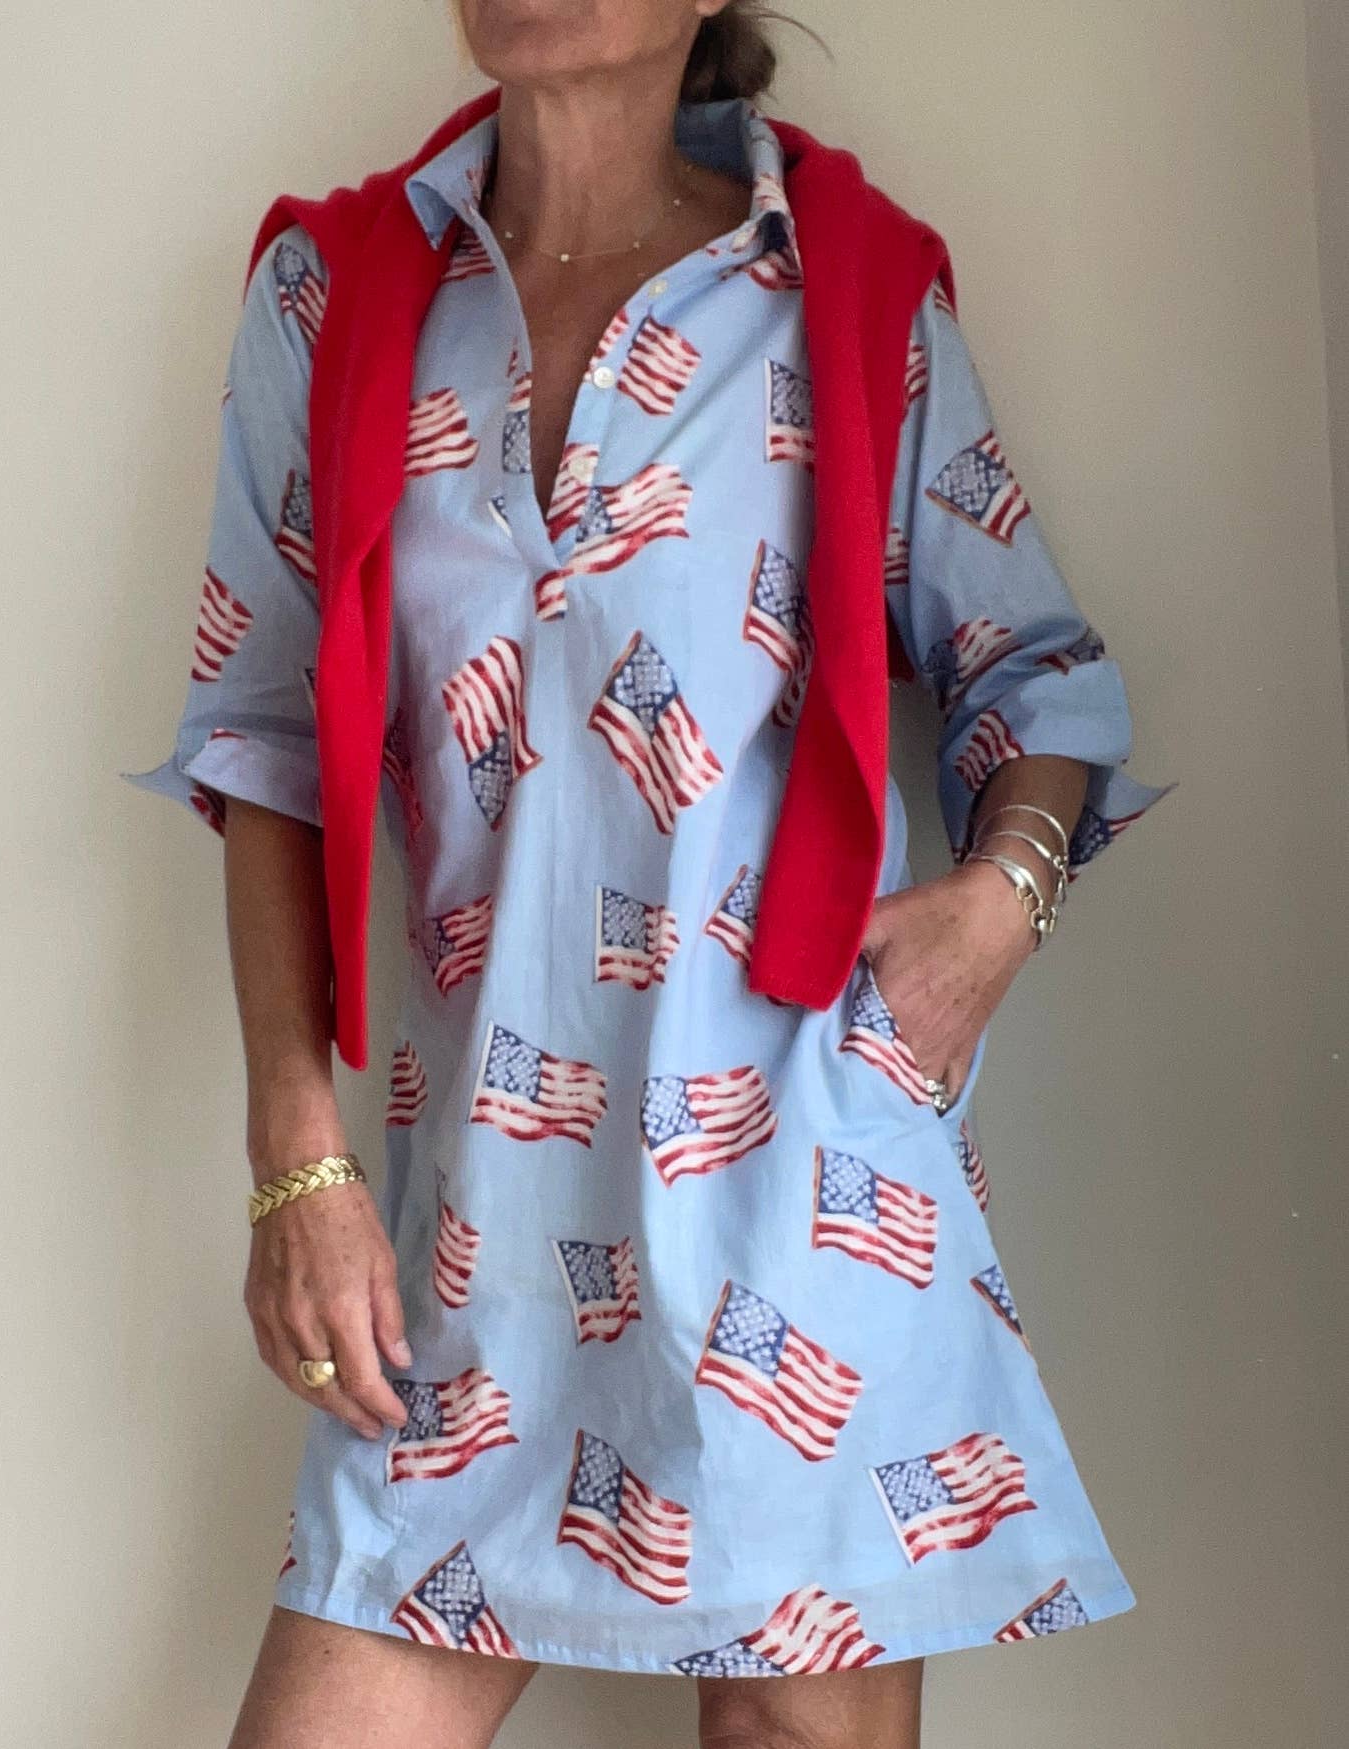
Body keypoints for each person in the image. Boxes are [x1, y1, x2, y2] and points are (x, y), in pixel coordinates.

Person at [122, 3, 1172, 1744]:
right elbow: (264, 747)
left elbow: (1035, 670)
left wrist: (1005, 902)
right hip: (472, 1233)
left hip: (799, 1197)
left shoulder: (839, 287)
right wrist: (292, 1157)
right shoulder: (338, 290)